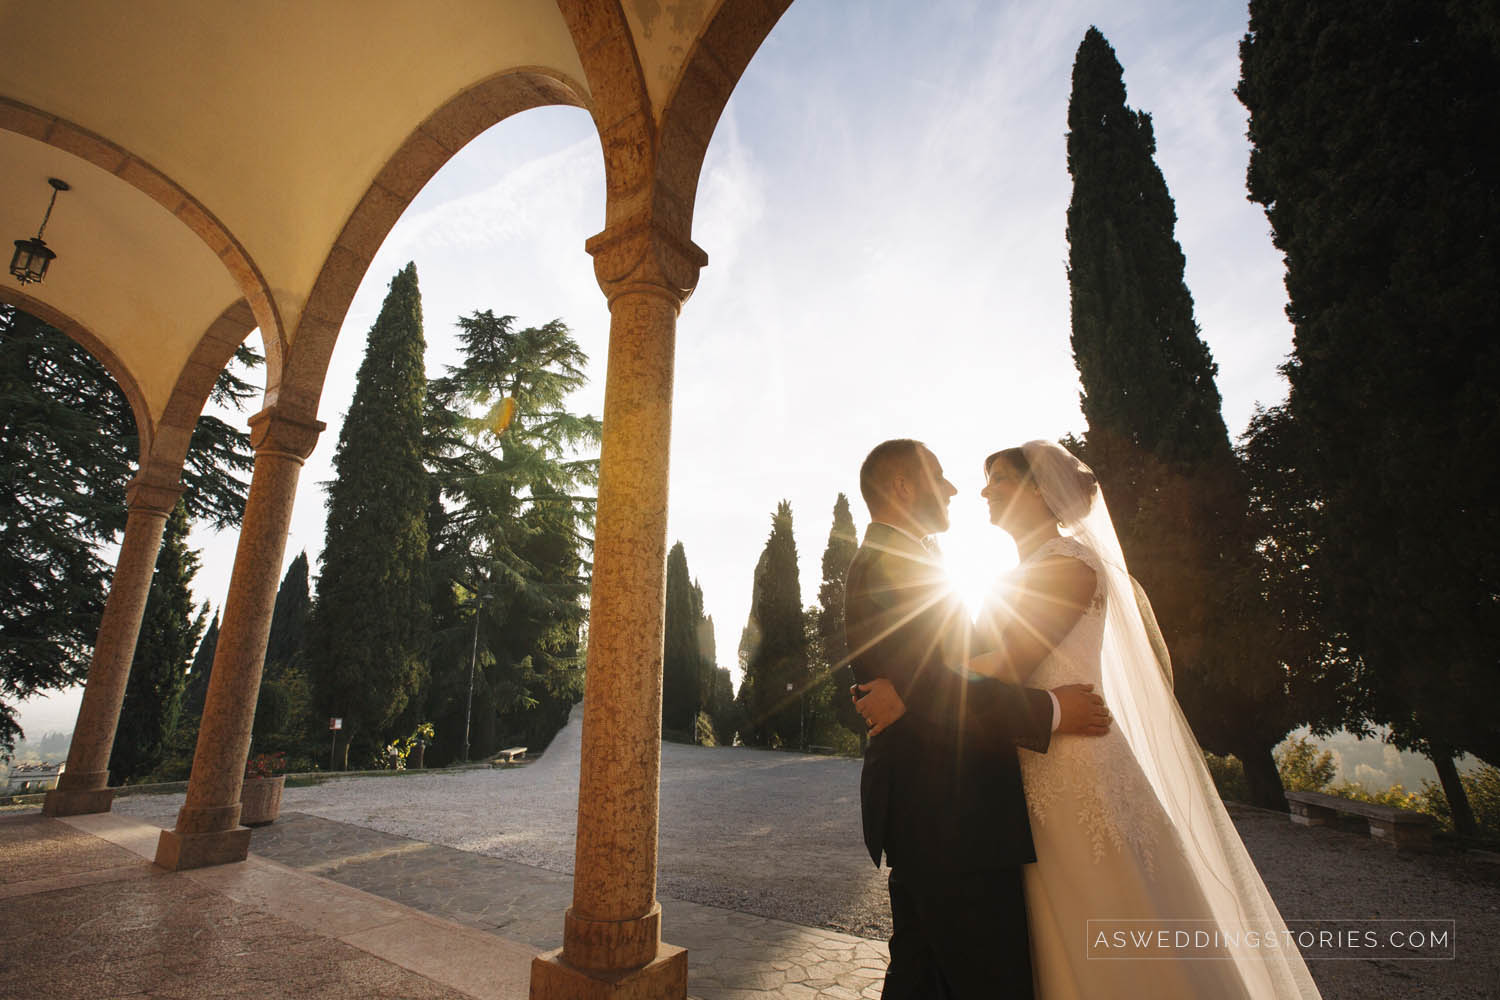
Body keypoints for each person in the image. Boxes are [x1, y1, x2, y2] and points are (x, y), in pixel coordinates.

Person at [859, 440, 1322, 999]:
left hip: (1075, 763)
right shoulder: (1016, 573)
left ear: (1039, 490)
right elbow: (962, 667)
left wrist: (907, 692)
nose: (981, 490)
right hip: (1030, 769)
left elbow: (1003, 664)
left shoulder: (1068, 567)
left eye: (1000, 479)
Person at [844, 439, 1111, 1000]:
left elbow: (946, 672)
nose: (957, 489)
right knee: (990, 979)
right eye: (939, 476)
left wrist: (908, 693)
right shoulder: (892, 565)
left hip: (942, 813)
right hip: (952, 816)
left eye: (998, 480)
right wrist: (1054, 709)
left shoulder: (911, 560)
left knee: (922, 977)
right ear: (902, 487)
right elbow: (949, 684)